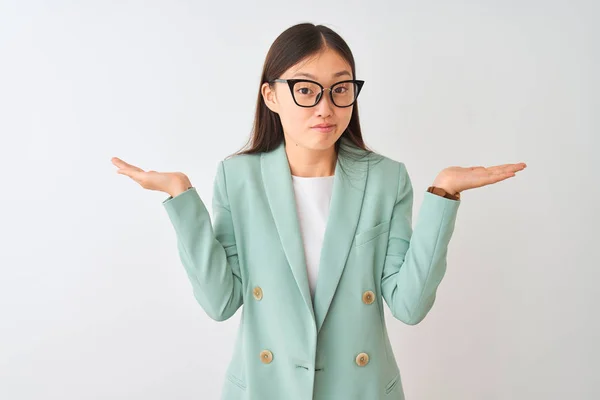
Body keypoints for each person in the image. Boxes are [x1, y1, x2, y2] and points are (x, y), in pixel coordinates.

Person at [111, 22, 526, 400]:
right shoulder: (237, 179)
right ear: (271, 95)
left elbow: (409, 305)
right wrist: (181, 198)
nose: (325, 107)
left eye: (340, 88)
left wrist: (444, 194)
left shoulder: (386, 179)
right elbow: (221, 302)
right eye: (306, 89)